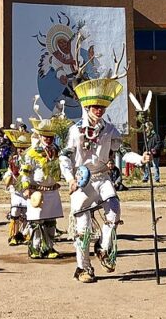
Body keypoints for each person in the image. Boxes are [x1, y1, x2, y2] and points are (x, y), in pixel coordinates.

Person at [60, 77, 148, 283]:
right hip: (82, 181)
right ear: (87, 107)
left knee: (114, 211)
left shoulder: (109, 129)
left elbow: (123, 150)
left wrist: (140, 159)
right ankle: (84, 268)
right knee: (82, 229)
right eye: (95, 107)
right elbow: (65, 156)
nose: (99, 110)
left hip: (102, 177)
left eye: (102, 107)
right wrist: (70, 179)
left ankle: (103, 246)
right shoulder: (75, 130)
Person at [19, 116, 65, 259]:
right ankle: (35, 247)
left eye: (51, 136)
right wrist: (26, 188)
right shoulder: (31, 152)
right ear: (39, 135)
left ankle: (49, 247)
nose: (48, 139)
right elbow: (24, 172)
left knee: (50, 221)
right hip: (36, 192)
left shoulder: (56, 152)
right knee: (36, 221)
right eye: (45, 136)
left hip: (52, 191)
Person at [1, 126, 32, 246]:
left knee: (28, 214)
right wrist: (8, 180)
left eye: (24, 148)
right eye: (19, 148)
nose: (21, 150)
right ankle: (13, 235)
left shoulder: (31, 160)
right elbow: (8, 174)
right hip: (16, 191)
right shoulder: (13, 160)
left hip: (27, 190)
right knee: (15, 211)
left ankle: (26, 234)